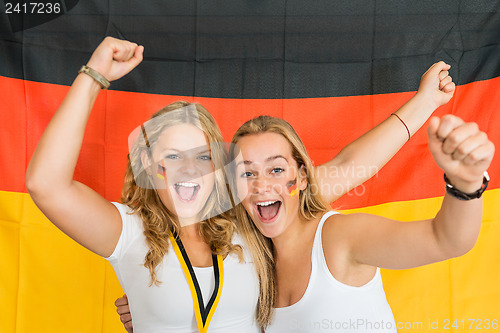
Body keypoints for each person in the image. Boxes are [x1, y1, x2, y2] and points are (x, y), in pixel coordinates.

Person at [25, 37, 455, 332]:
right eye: (171, 157)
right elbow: (46, 185)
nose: (189, 170)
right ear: (150, 170)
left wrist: (425, 103)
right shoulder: (129, 231)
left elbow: (349, 165)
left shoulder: (249, 218)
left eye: (202, 156)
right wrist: (93, 75)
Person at [228, 114, 493, 332]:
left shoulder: (339, 237)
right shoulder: (250, 260)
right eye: (247, 173)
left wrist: (465, 184)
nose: (261, 185)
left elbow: (445, 240)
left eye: (276, 169)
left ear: (303, 177)